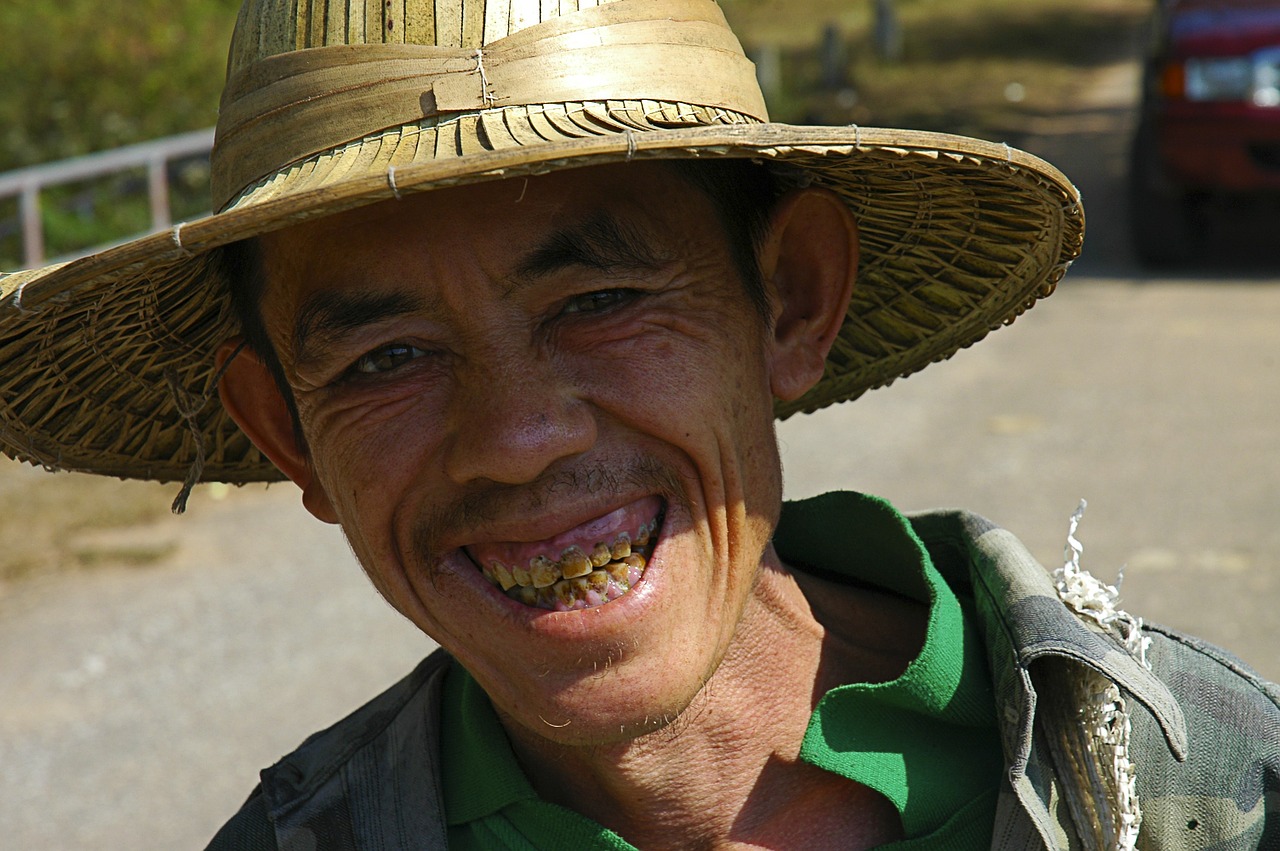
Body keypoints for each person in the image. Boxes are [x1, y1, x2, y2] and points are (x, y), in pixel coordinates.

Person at [1, 0, 1276, 848]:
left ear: (789, 300)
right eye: (388, 356)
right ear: (284, 434)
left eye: (599, 299)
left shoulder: (1187, 785)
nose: (514, 437)